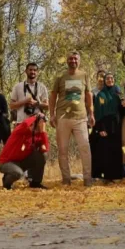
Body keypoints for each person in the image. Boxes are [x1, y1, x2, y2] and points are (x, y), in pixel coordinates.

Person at [49, 51, 94, 187]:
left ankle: (87, 179)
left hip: (80, 117)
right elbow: (53, 96)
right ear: (67, 61)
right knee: (63, 149)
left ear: (79, 61)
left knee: (85, 147)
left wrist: (91, 114)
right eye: (70, 59)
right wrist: (51, 114)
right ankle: (66, 179)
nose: (73, 61)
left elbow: (88, 95)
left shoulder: (84, 75)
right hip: (63, 117)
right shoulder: (60, 76)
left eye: (75, 59)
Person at [0, 113, 49, 189]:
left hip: (22, 161)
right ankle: (6, 183)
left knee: (42, 155)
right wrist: (36, 117)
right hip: (7, 162)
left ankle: (35, 182)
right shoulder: (20, 130)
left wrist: (43, 132)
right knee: (18, 173)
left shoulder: (38, 135)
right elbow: (26, 123)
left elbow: (45, 149)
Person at [92, 73, 125, 181]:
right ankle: (108, 177)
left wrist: (124, 105)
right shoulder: (101, 95)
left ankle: (118, 175)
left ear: (114, 80)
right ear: (105, 81)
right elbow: (98, 112)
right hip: (105, 123)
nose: (110, 80)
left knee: (117, 148)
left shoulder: (118, 93)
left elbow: (123, 111)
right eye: (107, 78)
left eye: (111, 78)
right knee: (106, 150)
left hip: (117, 123)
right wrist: (101, 128)